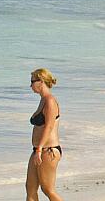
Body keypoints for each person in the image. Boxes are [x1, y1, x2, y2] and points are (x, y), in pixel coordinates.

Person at [27, 68, 62, 201]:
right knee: (30, 188)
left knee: (47, 189)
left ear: (41, 82)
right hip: (38, 150)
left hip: (48, 151)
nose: (30, 85)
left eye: (32, 82)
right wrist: (37, 149)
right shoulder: (43, 100)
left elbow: (49, 126)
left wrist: (40, 149)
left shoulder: (50, 101)